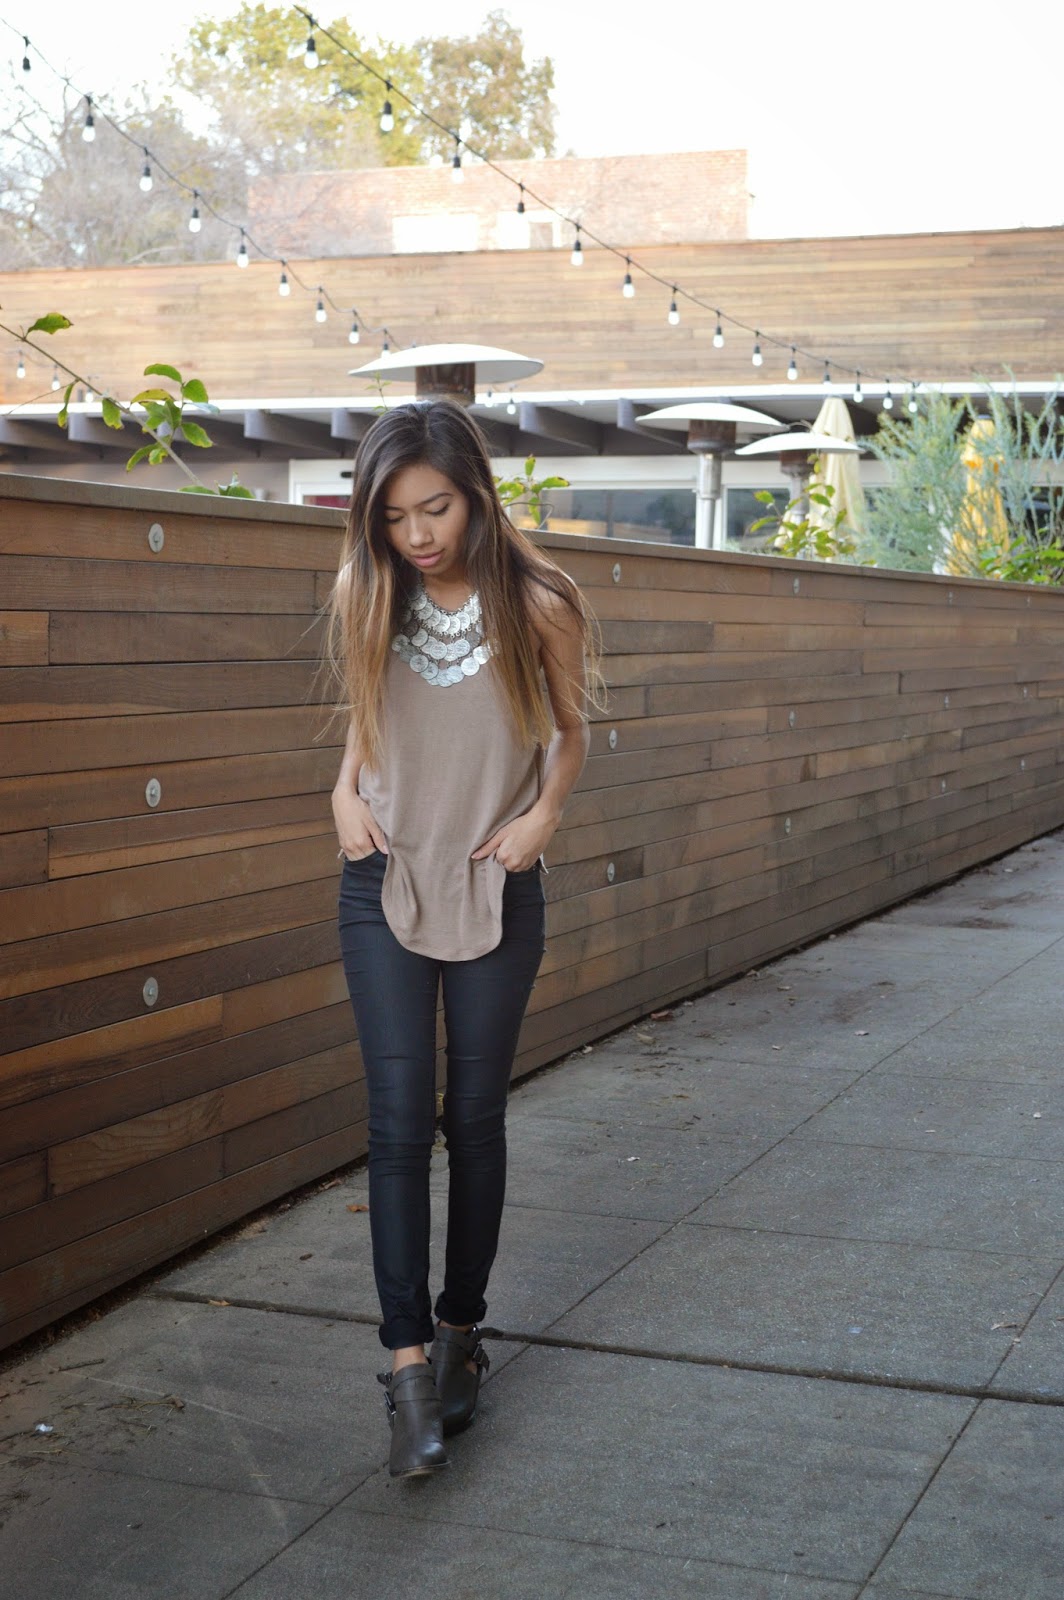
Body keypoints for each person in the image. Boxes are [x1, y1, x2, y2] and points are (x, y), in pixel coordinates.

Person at [326, 398, 604, 1479]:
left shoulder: (540, 602)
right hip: (383, 878)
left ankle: (458, 1337)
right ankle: (405, 1371)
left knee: (473, 1118)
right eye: (394, 516)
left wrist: (542, 820)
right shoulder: (370, 590)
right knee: (397, 1124)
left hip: (496, 878)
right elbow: (364, 718)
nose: (416, 535)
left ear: (476, 494)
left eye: (434, 508)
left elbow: (569, 732)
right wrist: (341, 793)